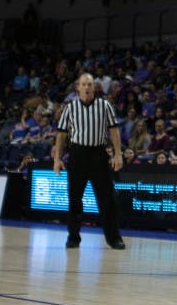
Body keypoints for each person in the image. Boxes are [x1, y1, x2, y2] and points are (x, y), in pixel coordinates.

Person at [52, 73, 126, 250]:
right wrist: (57, 159)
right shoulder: (70, 108)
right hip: (77, 154)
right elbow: (61, 134)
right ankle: (73, 237)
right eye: (83, 84)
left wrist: (118, 154)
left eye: (89, 84)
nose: (86, 87)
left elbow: (114, 131)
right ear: (78, 87)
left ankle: (113, 238)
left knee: (107, 199)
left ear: (94, 87)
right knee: (74, 199)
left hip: (98, 154)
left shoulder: (105, 105)